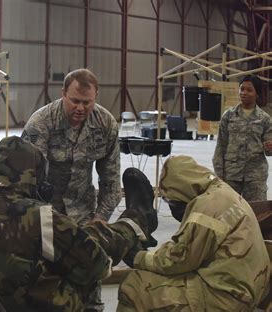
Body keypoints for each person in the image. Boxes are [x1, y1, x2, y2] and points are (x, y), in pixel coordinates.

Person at [0, 136, 158, 312]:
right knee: (93, 241)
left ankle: (133, 231)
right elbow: (98, 267)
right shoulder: (40, 216)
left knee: (76, 235)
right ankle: (136, 222)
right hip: (48, 305)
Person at [22, 68, 121, 310]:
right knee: (47, 285)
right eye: (74, 101)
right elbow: (25, 182)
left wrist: (100, 219)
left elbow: (111, 182)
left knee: (90, 277)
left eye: (87, 102)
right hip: (46, 215)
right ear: (63, 93)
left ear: (96, 96)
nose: (80, 108)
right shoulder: (41, 123)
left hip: (85, 215)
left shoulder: (105, 123)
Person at [117, 155, 270, 311]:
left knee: (134, 285)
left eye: (171, 200)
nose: (172, 206)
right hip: (246, 287)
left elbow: (178, 260)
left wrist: (139, 257)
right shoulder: (222, 192)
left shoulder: (205, 210)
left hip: (225, 297)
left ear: (183, 189)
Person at [213, 74, 272, 201]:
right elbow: (220, 147)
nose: (244, 93)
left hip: (255, 177)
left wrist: (270, 147)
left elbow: (269, 151)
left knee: (258, 214)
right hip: (231, 175)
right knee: (228, 212)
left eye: (249, 90)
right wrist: (219, 175)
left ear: (257, 94)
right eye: (242, 89)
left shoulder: (265, 119)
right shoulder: (228, 116)